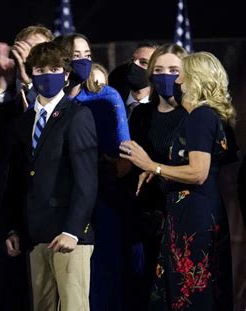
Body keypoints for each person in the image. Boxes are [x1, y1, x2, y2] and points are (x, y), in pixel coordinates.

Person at [120, 51, 235, 310]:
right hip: (196, 214)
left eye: (180, 75)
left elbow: (198, 172)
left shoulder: (200, 117)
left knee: (193, 294)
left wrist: (152, 165)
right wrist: (164, 168)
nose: (177, 82)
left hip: (194, 218)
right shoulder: (204, 117)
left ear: (194, 80)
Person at [4, 41, 97, 311]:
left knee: (73, 306)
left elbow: (87, 180)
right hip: (35, 233)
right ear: (31, 74)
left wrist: (73, 230)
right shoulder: (23, 122)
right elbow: (18, 180)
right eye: (41, 70)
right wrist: (14, 227)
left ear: (66, 75)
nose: (47, 75)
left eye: (55, 69)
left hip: (69, 234)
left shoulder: (78, 116)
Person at [55, 32, 132, 311]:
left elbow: (125, 152)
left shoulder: (106, 97)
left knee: (105, 271)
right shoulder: (52, 102)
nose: (84, 61)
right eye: (76, 56)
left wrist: (109, 170)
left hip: (104, 193)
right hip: (62, 198)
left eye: (87, 55)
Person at [128, 44, 189, 309]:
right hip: (146, 218)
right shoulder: (141, 114)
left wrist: (152, 166)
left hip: (185, 217)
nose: (167, 77)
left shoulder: (195, 115)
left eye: (174, 70)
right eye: (160, 70)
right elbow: (130, 161)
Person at [109, 41, 158, 117]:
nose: (134, 65)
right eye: (133, 59)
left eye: (143, 62)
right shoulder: (111, 104)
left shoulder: (161, 109)